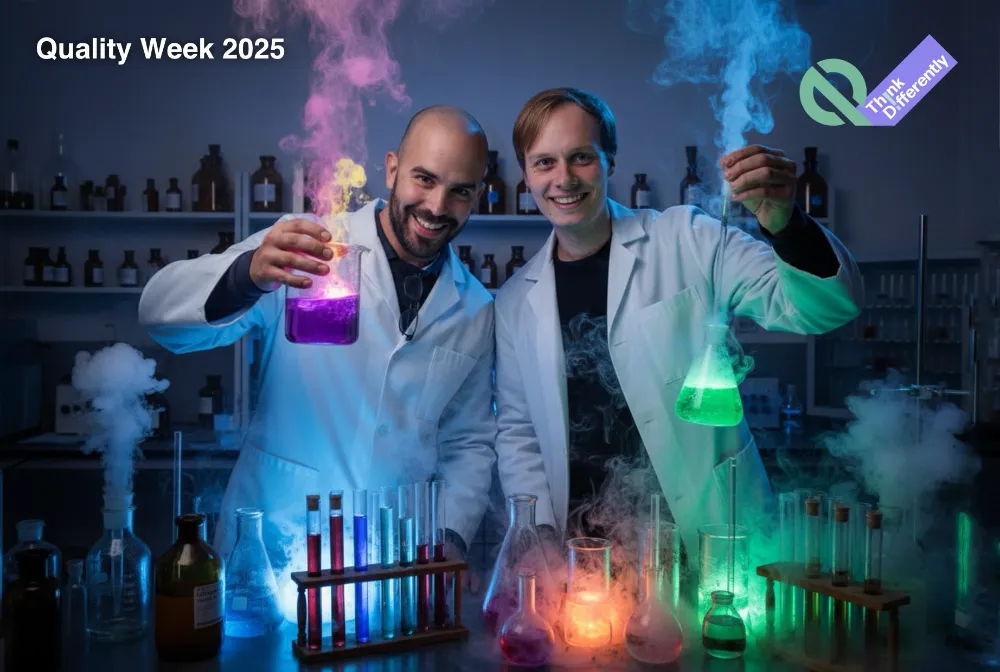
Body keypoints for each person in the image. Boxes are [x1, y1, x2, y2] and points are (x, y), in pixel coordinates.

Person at [493, 87, 862, 555]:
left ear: (610, 160)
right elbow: (519, 432)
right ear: (526, 175)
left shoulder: (686, 237)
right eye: (544, 162)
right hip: (584, 553)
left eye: (581, 157)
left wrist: (786, 224)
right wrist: (538, 534)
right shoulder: (513, 303)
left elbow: (825, 307)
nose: (563, 179)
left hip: (710, 535)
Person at [138, 106, 497, 586]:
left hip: (392, 560)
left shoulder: (474, 306)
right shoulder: (304, 248)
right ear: (392, 168)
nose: (436, 205)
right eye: (424, 178)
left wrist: (451, 534)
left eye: (460, 191)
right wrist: (250, 273)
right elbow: (160, 316)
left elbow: (468, 441)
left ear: (479, 193)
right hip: (276, 548)